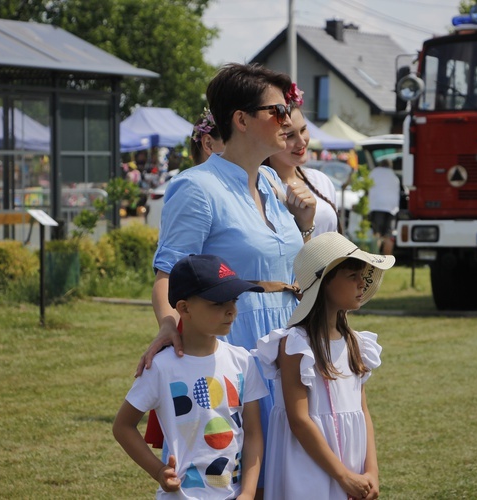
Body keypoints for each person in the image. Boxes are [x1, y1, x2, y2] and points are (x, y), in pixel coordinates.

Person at [137, 63, 318, 494]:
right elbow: (168, 274)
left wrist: (306, 225)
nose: (288, 120)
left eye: (288, 108)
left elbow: (285, 268)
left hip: (290, 343)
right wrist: (169, 324)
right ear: (240, 119)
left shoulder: (273, 179)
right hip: (239, 344)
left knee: (290, 473)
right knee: (233, 475)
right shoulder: (196, 187)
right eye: (277, 110)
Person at [253, 232, 395, 500]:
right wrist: (342, 475)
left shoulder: (356, 342)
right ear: (324, 284)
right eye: (352, 276)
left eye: (362, 276)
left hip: (352, 465)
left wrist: (371, 471)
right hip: (306, 465)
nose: (361, 284)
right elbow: (299, 420)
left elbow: (363, 411)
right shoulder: (295, 345)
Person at [114, 254, 268, 499]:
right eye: (218, 303)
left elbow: (253, 433)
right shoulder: (161, 367)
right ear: (184, 308)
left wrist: (248, 492)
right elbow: (122, 426)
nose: (231, 310)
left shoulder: (243, 361)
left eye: (234, 300)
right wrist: (158, 471)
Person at [264, 85, 341, 237]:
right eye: (290, 135)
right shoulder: (262, 189)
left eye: (303, 130)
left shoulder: (320, 180)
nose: (302, 142)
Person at [368, 158, 400, 254]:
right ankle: (387, 261)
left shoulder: (374, 172)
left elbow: (367, 187)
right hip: (391, 208)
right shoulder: (394, 176)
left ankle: (374, 260)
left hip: (376, 206)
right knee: (389, 235)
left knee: (376, 234)